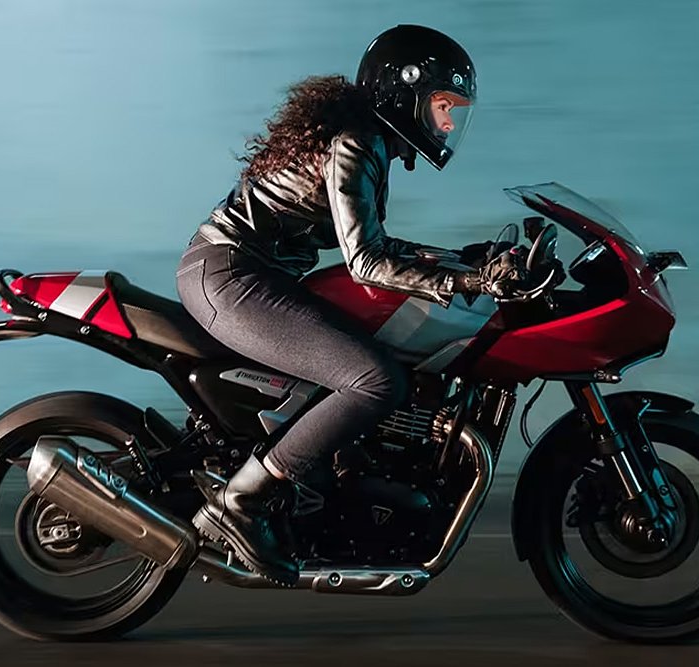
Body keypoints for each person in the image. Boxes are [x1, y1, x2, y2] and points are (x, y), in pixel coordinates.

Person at [177, 25, 524, 584]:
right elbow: (365, 261)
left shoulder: (367, 140)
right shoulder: (357, 142)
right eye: (441, 106)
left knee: (364, 360)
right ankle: (240, 502)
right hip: (231, 276)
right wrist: (466, 283)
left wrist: (465, 260)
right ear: (402, 94)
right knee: (377, 382)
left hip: (255, 276)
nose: (447, 123)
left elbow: (377, 244)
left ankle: (327, 490)